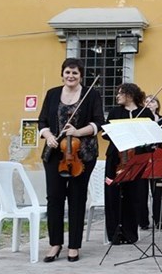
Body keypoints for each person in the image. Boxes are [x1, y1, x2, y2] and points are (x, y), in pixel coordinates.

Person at [38, 58, 104, 263]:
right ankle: (55, 244)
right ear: (62, 74)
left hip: (81, 154)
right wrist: (48, 135)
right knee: (54, 198)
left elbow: (98, 123)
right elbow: (42, 121)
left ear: (81, 75)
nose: (71, 76)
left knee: (77, 198)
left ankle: (74, 245)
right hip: (55, 152)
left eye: (75, 73)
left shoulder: (91, 95)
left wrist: (77, 131)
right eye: (67, 72)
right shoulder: (52, 94)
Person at [103, 83, 155, 245]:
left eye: (121, 93)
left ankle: (130, 233)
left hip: (136, 158)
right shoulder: (114, 112)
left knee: (134, 196)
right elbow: (106, 134)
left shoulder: (145, 113)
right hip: (116, 158)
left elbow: (149, 135)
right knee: (113, 196)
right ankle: (114, 234)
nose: (117, 96)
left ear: (130, 95)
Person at [144, 95, 162, 229]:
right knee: (142, 190)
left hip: (158, 156)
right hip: (143, 156)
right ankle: (143, 221)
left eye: (152, 101)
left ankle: (159, 220)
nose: (149, 103)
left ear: (157, 105)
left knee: (158, 190)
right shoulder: (141, 120)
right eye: (146, 101)